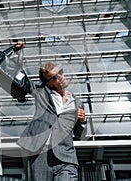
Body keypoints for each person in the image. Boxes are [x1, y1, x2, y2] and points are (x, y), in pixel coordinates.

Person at [14, 42, 87, 181]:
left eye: (61, 72)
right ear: (47, 82)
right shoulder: (41, 93)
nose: (60, 77)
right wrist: (17, 54)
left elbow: (80, 135)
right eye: (55, 76)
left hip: (66, 156)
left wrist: (82, 122)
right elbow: (21, 79)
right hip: (41, 154)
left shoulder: (77, 102)